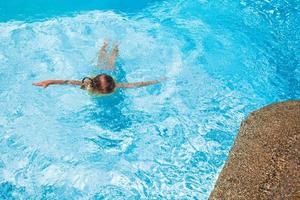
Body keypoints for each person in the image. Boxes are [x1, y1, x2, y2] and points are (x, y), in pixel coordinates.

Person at [32, 41, 164, 95]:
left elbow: (67, 82)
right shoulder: (90, 84)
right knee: (107, 60)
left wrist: (50, 81)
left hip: (102, 74)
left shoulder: (88, 84)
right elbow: (136, 84)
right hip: (102, 74)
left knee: (107, 61)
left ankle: (109, 45)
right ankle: (110, 45)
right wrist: (49, 82)